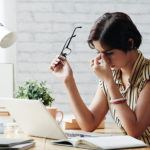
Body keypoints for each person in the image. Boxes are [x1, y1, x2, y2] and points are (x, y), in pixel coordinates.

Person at [50, 12, 150, 145]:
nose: (104, 60)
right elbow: (89, 124)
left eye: (109, 53)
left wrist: (109, 82)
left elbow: (134, 131)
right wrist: (68, 80)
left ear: (130, 43)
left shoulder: (146, 74)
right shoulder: (112, 74)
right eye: (99, 53)